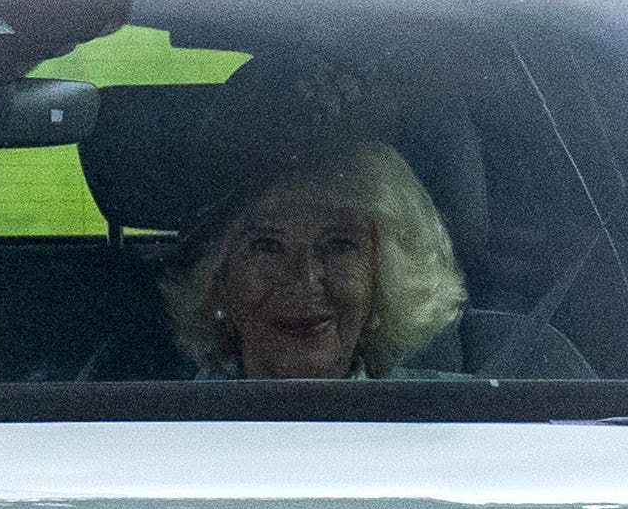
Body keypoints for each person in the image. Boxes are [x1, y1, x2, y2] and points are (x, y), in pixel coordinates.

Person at [162, 56, 466, 379]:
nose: (304, 279)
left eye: (338, 244)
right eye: (267, 244)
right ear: (218, 285)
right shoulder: (149, 425)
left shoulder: (457, 419)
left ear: (383, 285)